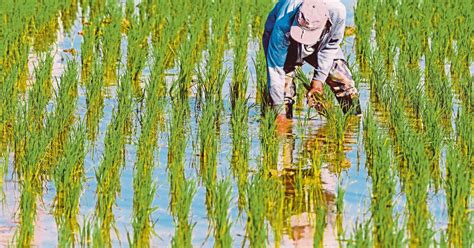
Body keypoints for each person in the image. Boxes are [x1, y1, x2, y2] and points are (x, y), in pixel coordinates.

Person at [262, 0, 361, 127]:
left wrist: (318, 81)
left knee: (343, 79)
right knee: (283, 93)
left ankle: (354, 126)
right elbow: (276, 69)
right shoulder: (283, 24)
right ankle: (285, 132)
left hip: (321, 41)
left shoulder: (337, 12)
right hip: (288, 40)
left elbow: (331, 45)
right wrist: (279, 113)